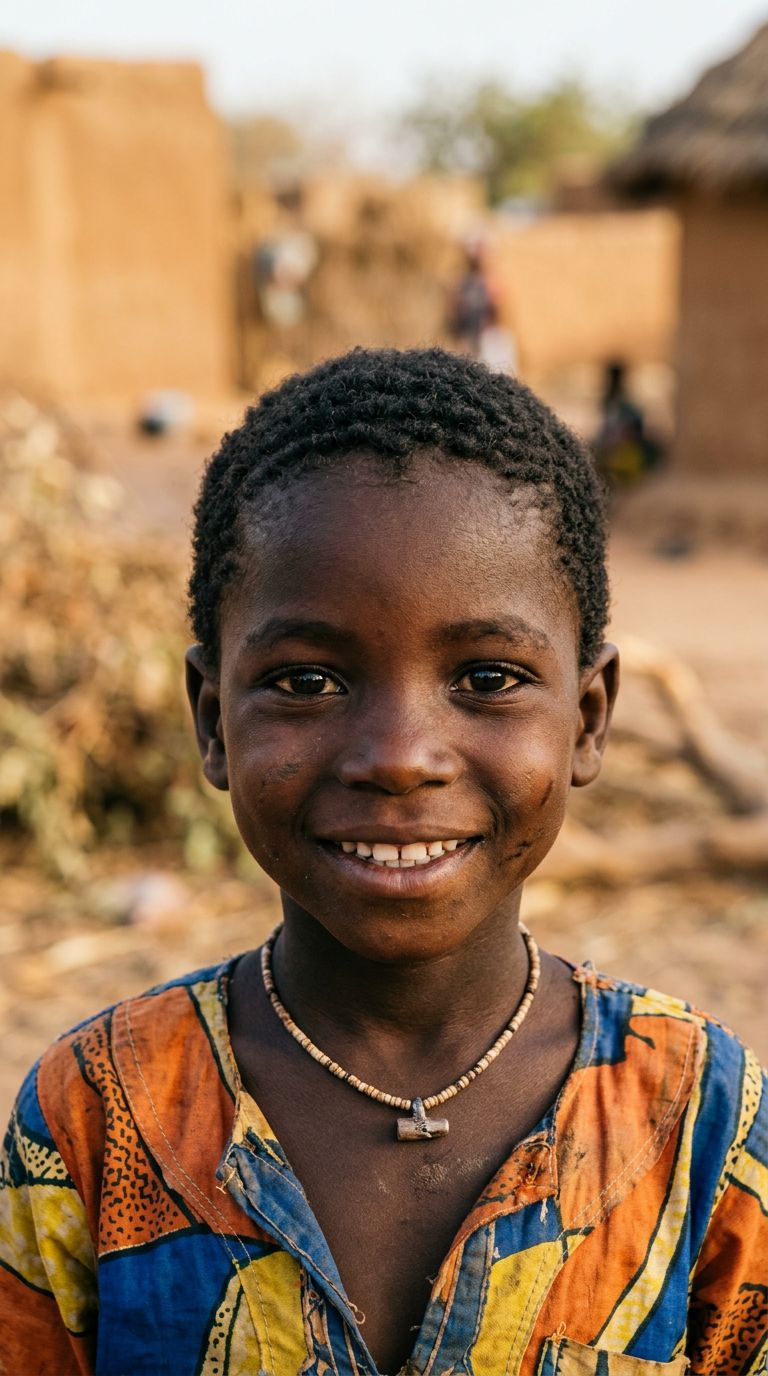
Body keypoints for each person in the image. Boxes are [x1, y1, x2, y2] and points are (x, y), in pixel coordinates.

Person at [1, 348, 765, 1375]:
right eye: (307, 679)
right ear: (212, 719)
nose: (400, 754)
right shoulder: (96, 1116)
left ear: (588, 718)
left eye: (487, 676)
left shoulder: (703, 1121)